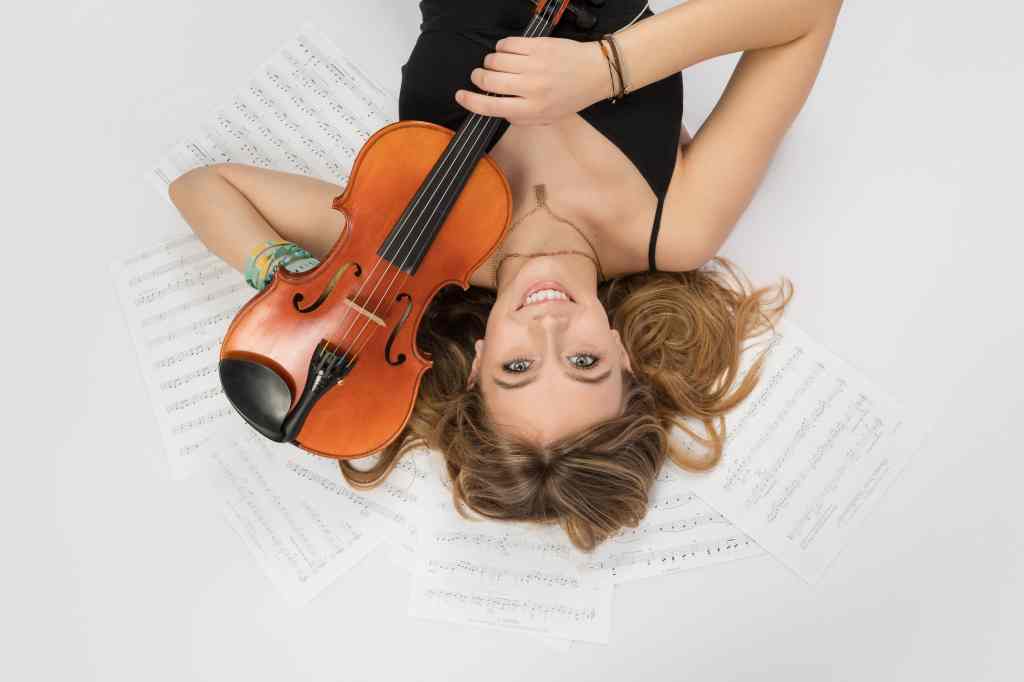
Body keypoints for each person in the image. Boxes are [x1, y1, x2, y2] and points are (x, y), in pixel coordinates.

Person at [169, 0, 842, 550]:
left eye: (519, 369)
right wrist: (607, 68)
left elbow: (205, 186)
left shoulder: (419, 247)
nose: (548, 326)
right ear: (625, 356)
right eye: (583, 360)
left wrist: (289, 283)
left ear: (480, 362)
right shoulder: (677, 228)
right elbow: (808, 12)